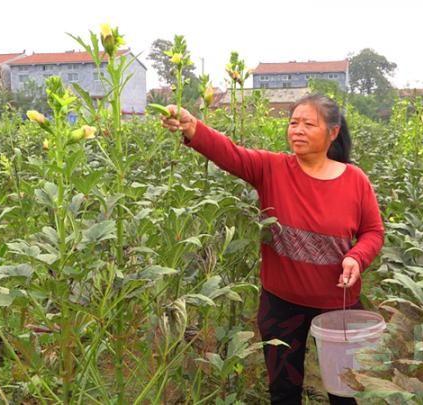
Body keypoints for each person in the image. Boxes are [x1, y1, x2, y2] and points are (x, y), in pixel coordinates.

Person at [161, 94, 384, 405]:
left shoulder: (355, 180)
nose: (298, 130)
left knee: (345, 392)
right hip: (282, 305)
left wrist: (356, 257)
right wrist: (191, 126)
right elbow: (230, 153)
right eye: (293, 123)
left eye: (309, 124)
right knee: (283, 391)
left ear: (333, 133)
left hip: (339, 306)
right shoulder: (272, 168)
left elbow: (373, 232)